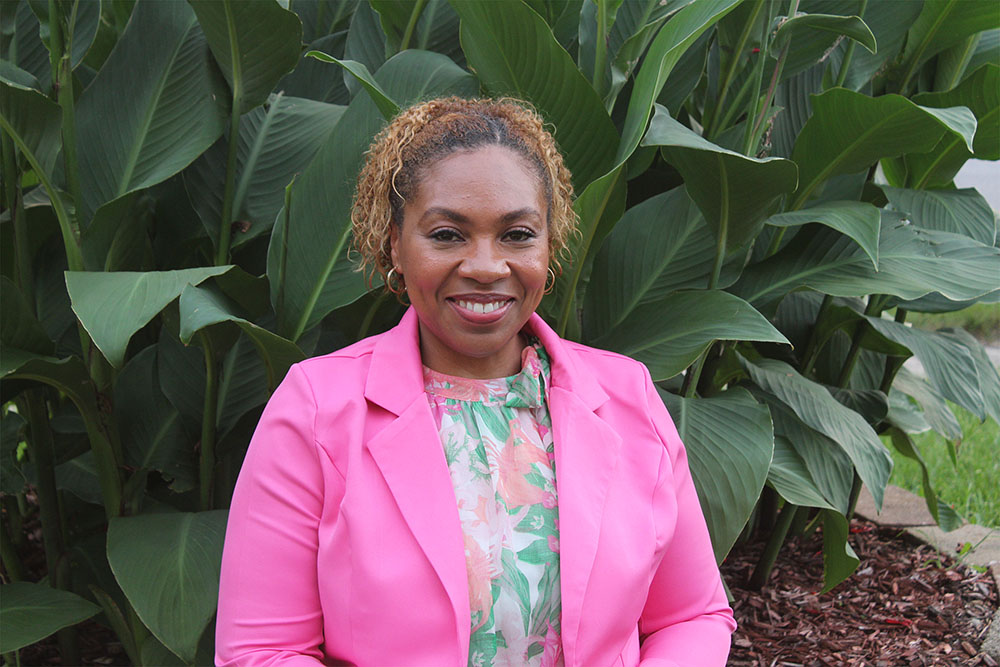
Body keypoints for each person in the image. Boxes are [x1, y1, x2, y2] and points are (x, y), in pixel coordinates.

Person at [215, 97, 735, 666]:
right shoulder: (316, 411)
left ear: (549, 244)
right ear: (395, 243)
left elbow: (692, 616)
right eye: (446, 235)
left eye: (516, 234)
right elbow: (262, 650)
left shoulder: (626, 398)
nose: (486, 265)